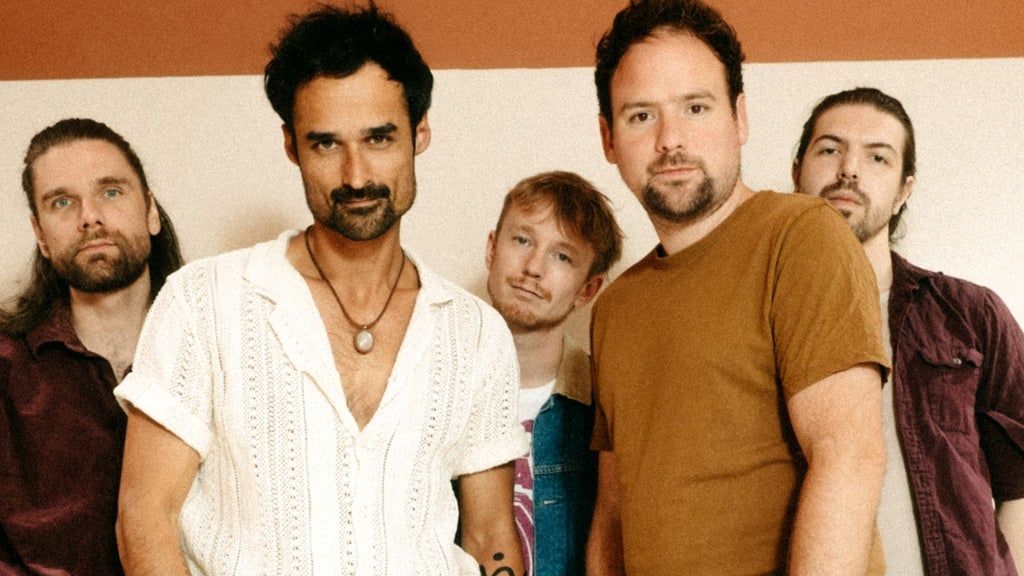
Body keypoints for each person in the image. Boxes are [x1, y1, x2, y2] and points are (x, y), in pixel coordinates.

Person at [113, 5, 527, 576]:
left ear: (420, 132)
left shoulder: (476, 332)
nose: (356, 175)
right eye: (326, 144)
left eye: (379, 138)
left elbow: (490, 536)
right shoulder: (203, 303)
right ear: (291, 145)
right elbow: (144, 519)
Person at [585, 1, 891, 574]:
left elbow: (848, 459)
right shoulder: (615, 306)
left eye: (695, 107)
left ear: (739, 118)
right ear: (609, 138)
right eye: (641, 116)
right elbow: (613, 511)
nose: (671, 139)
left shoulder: (802, 237)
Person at [793, 86, 1024, 576]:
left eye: (877, 157)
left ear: (903, 190)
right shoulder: (758, 318)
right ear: (797, 173)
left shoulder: (972, 314)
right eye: (830, 149)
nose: (849, 169)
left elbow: (1021, 485)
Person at [0, 118, 184, 575]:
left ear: (151, 212)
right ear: (40, 235)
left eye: (111, 192)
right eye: (62, 202)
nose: (89, 217)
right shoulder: (7, 367)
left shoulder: (219, 346)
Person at [484, 171, 623, 576]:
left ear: (587, 289)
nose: (533, 268)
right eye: (522, 240)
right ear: (491, 249)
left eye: (562, 257)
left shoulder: (606, 403)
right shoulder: (431, 382)